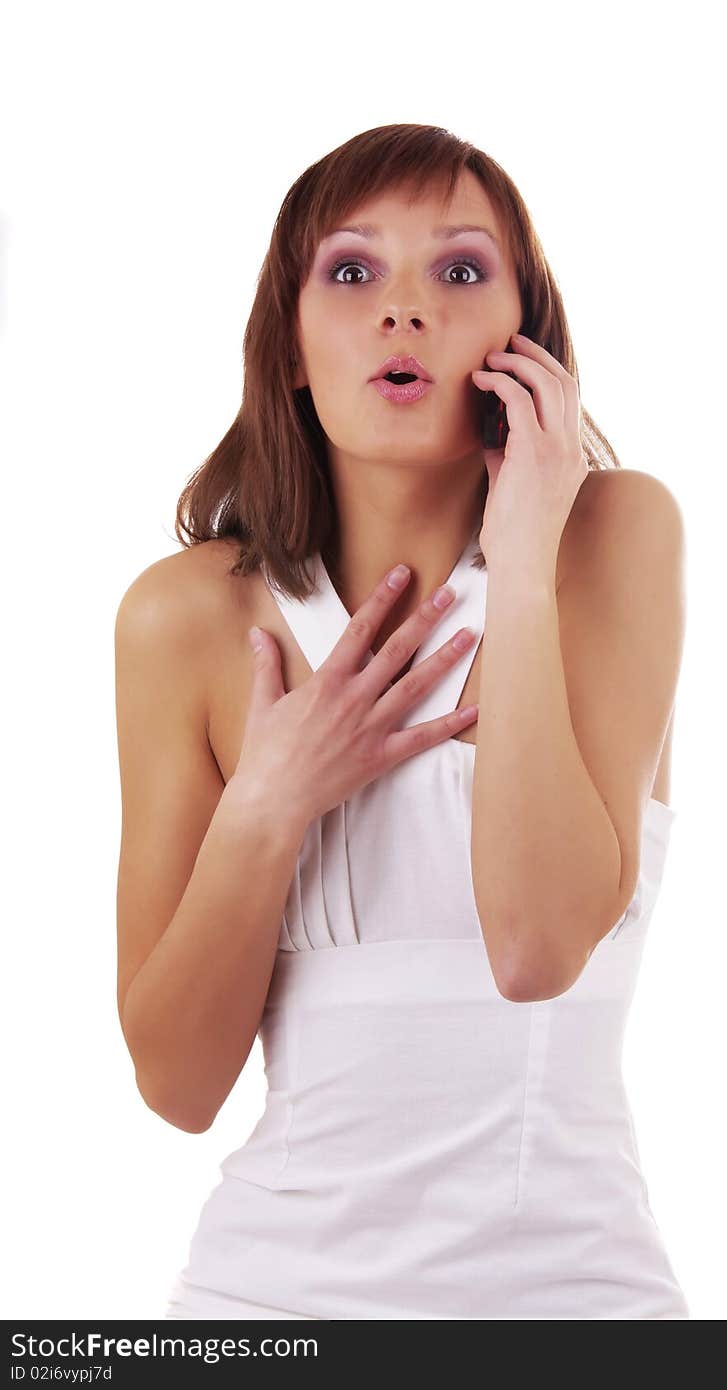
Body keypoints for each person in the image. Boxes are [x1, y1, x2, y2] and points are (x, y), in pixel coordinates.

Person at [114, 123, 688, 1320]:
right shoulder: (187, 621)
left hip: (582, 1302)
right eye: (353, 270)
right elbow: (175, 1082)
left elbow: (535, 951)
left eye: (462, 271)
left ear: (523, 338)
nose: (404, 311)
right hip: (259, 1309)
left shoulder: (615, 542)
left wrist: (519, 559)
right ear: (289, 342)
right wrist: (269, 805)